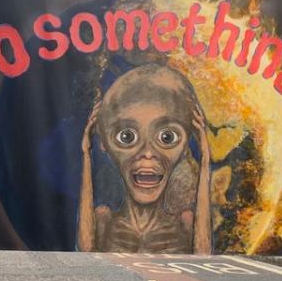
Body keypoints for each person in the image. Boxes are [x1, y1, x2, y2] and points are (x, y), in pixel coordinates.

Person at [77, 64, 212, 254]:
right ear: (105, 144)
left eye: (167, 137)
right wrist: (86, 153)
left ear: (184, 147)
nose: (148, 153)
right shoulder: (103, 219)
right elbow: (86, 251)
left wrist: (206, 159)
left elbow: (203, 255)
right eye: (127, 137)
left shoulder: (184, 223)